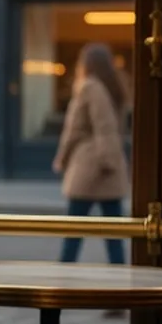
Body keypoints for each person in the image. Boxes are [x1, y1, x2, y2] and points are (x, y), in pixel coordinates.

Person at [55, 42, 129, 266]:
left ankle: (58, 291)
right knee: (113, 236)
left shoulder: (90, 87)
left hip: (90, 166)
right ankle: (124, 286)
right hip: (109, 168)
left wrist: (62, 158)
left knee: (73, 234)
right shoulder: (114, 86)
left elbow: (87, 128)